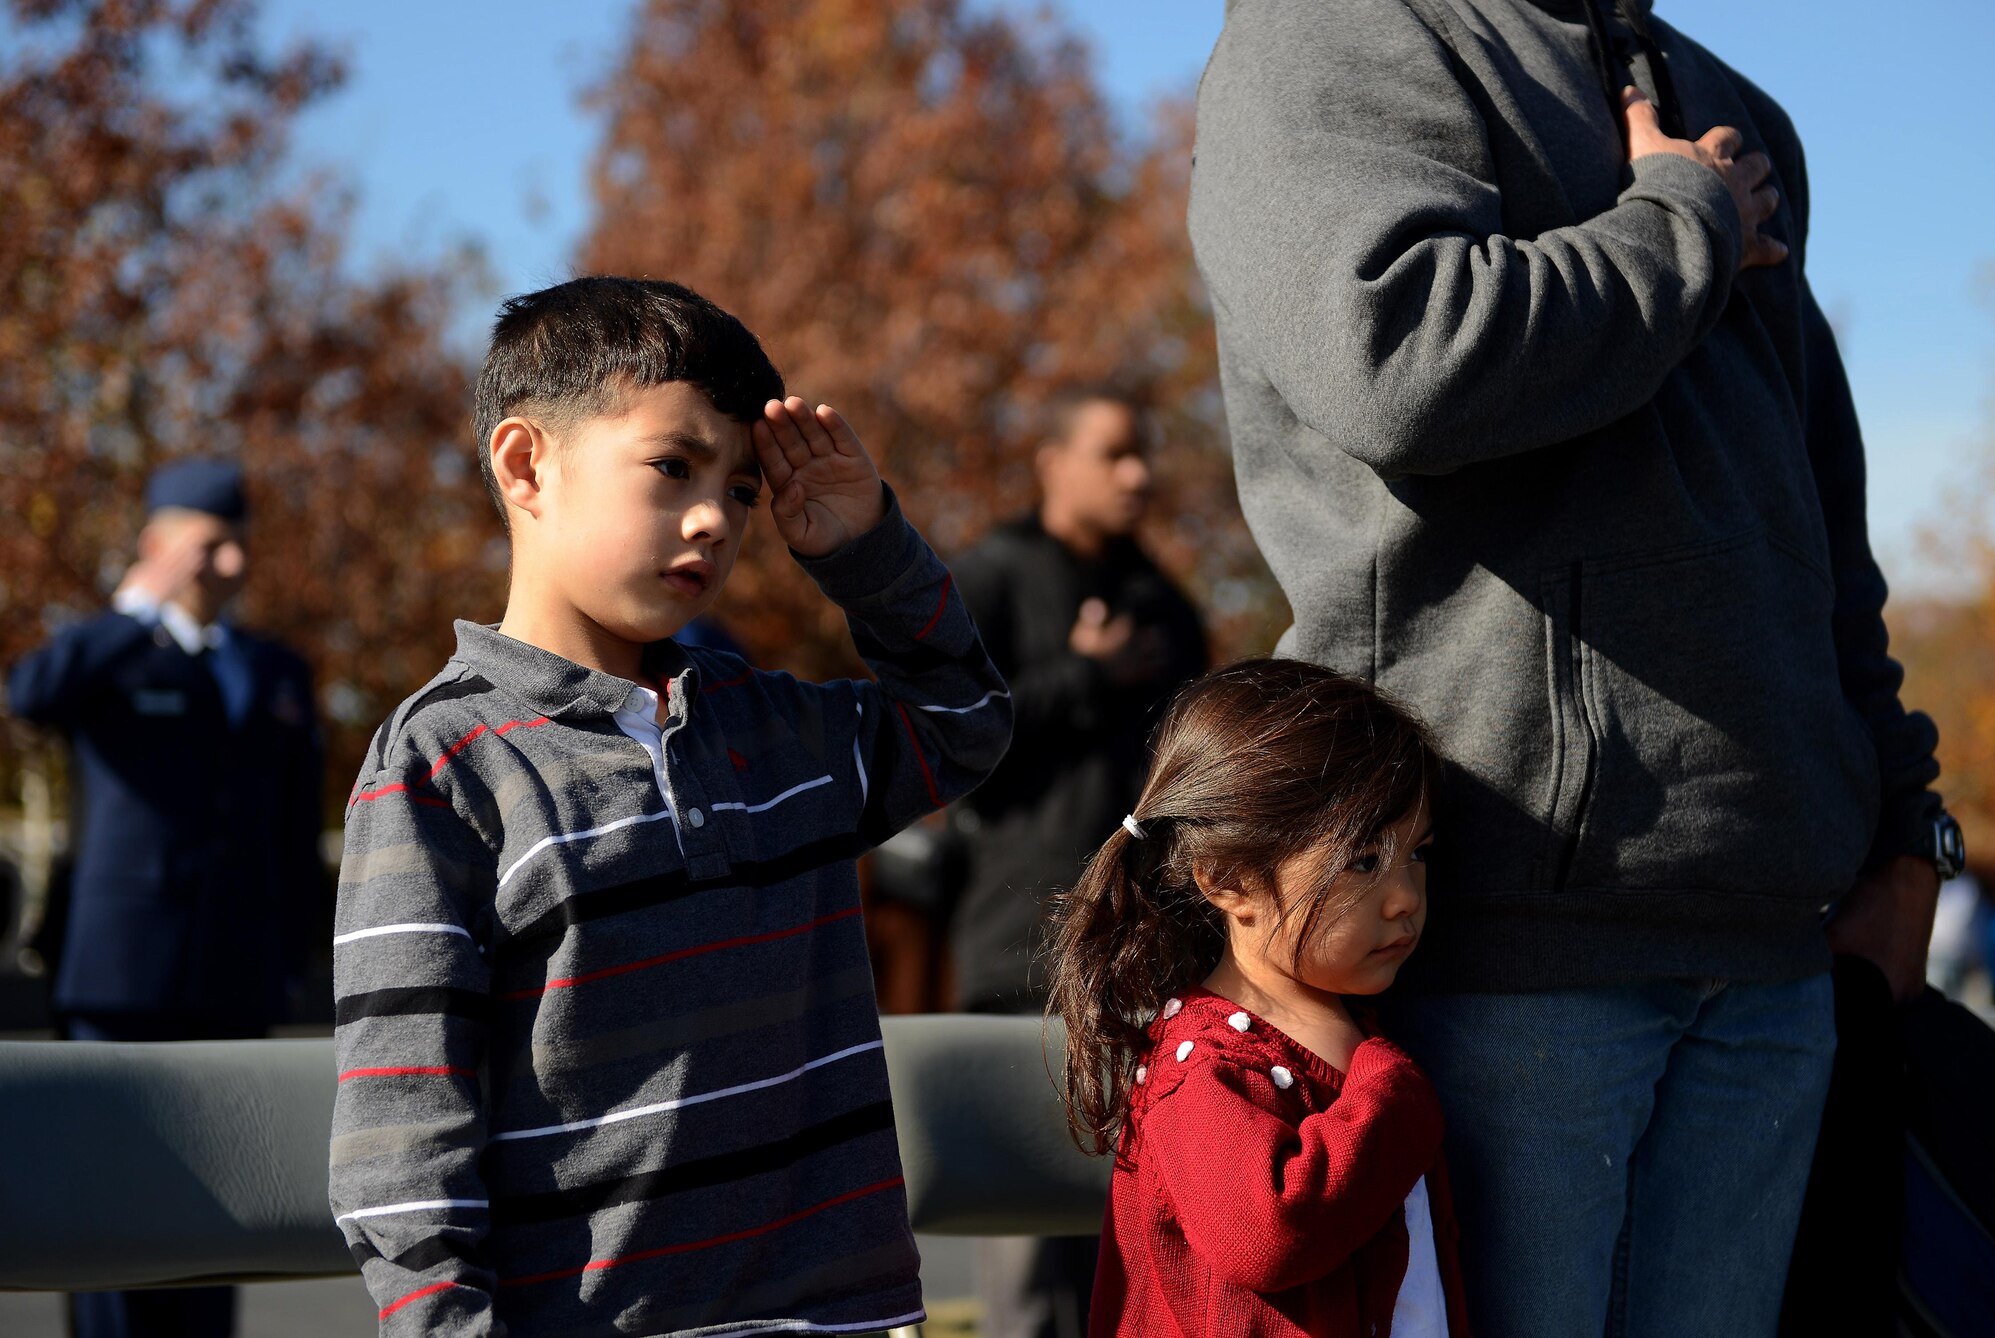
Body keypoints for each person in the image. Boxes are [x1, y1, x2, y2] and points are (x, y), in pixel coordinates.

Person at [1187, 3, 1959, 1335]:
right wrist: (1682, 225)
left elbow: (1819, 508)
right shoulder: (1335, 32)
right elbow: (1394, 360)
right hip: (1491, 927)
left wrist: (1903, 825)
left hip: (1773, 945)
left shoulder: (1731, 103)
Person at [328, 276, 1010, 1337]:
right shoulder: (439, 767)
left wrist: (866, 551)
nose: (716, 518)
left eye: (742, 490)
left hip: (842, 1320)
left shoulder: (781, 730)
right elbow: (403, 1132)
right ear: (525, 464)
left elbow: (964, 721)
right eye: (672, 466)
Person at [1045, 659, 1469, 1337]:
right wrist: (1395, 1095)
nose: (1405, 899)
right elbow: (1266, 1236)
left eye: (1416, 853)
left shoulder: (1355, 1024)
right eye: (1362, 862)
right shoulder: (1206, 1069)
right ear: (1229, 880)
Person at [6, 457, 323, 1338]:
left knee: (219, 1207)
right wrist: (136, 604)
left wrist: (291, 948)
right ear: (157, 546)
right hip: (119, 973)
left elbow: (295, 829)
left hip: (231, 971)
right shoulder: (110, 653)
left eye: (235, 547)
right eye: (205, 545)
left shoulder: (274, 671)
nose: (224, 566)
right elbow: (31, 694)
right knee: (105, 1208)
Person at [946, 384, 1206, 1336]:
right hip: (1021, 956)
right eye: (1113, 454)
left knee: (1146, 1253)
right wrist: (1081, 679)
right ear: (1052, 461)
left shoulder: (1166, 606)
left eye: (1145, 454)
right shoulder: (991, 576)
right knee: (1030, 1271)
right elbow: (946, 746)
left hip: (1151, 963)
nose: (1138, 474)